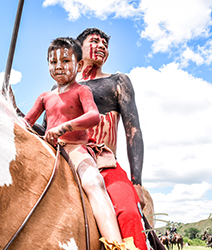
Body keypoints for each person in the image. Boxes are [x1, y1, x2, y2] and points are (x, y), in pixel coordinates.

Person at [23, 37, 136, 249]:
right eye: (53, 62)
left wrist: (63, 128)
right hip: (48, 150)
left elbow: (93, 115)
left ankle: (116, 245)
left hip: (75, 148)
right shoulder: (45, 97)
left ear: (79, 64)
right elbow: (26, 123)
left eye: (66, 61)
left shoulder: (82, 91)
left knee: (93, 182)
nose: (59, 67)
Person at [75, 28, 150, 250]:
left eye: (105, 44)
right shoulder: (61, 87)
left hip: (104, 164)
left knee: (128, 212)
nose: (102, 46)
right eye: (95, 41)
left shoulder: (118, 81)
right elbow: (45, 128)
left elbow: (133, 131)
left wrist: (136, 182)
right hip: (67, 160)